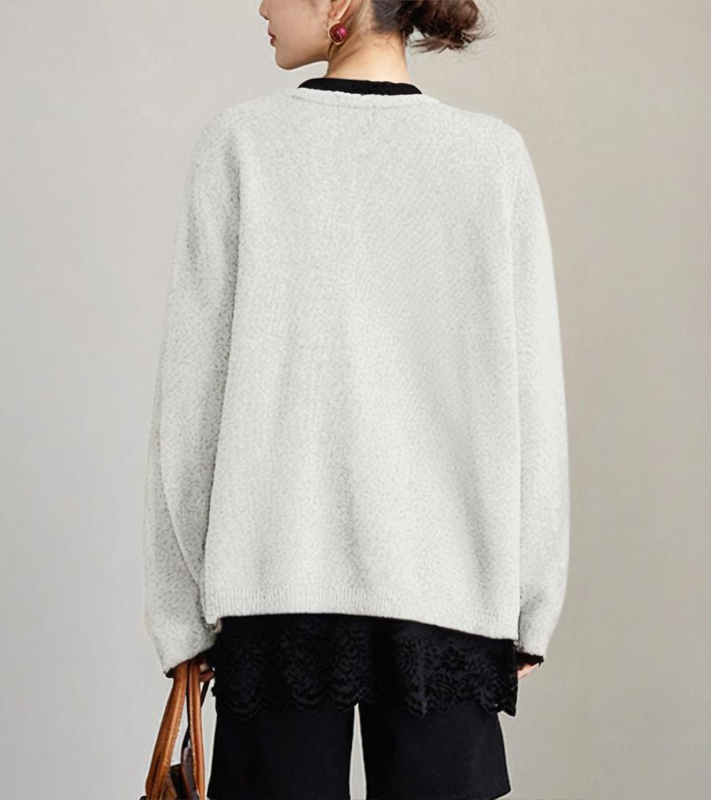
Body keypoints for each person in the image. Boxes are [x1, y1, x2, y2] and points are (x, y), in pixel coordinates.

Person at [141, 0, 570, 798]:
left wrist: (181, 613)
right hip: (449, 589)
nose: (261, 5)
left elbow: (192, 407)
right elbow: (533, 398)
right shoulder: (489, 157)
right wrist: (530, 598)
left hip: (275, 584)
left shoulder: (244, 144)